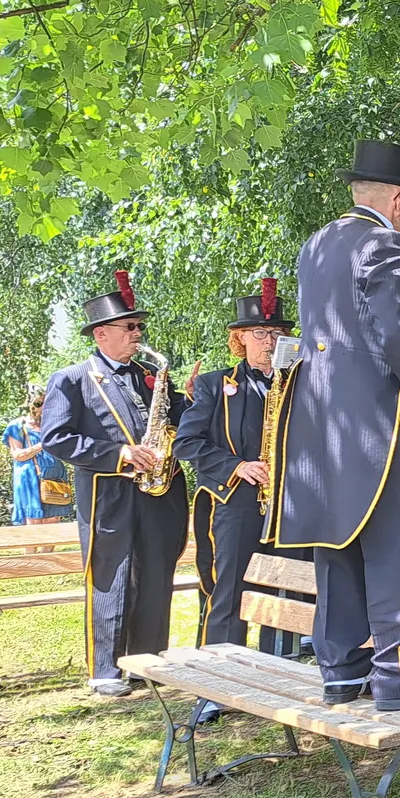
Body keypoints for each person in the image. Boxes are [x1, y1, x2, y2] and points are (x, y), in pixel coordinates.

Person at [273, 136, 400, 712]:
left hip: (321, 423)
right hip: (379, 421)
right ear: (396, 198)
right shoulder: (385, 243)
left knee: (337, 544)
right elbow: (399, 335)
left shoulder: (316, 246)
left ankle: (340, 671)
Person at [39, 271, 191, 696]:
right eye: (130, 327)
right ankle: (105, 668)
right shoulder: (71, 379)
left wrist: (190, 402)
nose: (138, 334)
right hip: (109, 493)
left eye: (139, 326)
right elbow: (56, 438)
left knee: (157, 574)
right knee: (112, 575)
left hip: (158, 491)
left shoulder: (150, 374)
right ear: (101, 334)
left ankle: (148, 662)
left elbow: (172, 417)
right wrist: (120, 455)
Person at [174, 279, 305, 702]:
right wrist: (238, 466)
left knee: (284, 589)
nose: (270, 342)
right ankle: (217, 685)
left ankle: (277, 679)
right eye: (260, 334)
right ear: (240, 339)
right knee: (229, 589)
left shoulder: (301, 385)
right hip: (236, 501)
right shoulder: (216, 384)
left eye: (277, 334)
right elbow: (187, 444)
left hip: (288, 504)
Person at [4, 386, 74, 533]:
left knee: (53, 519)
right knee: (33, 520)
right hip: (30, 477)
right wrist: (43, 444)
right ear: (28, 404)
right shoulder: (17, 426)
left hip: (55, 476)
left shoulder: (53, 425)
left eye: (46, 404)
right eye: (38, 404)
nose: (42, 408)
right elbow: (18, 455)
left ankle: (48, 556)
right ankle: (31, 557)